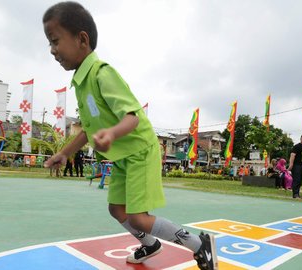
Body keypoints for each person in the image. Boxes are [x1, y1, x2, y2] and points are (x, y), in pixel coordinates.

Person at [42, 3, 217, 269]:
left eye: (55, 41)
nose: (52, 50)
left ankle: (199, 245)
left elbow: (133, 117)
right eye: (49, 43)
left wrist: (112, 132)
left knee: (137, 217)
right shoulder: (81, 83)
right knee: (116, 209)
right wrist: (65, 152)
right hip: (123, 157)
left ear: (82, 39)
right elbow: (88, 129)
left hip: (140, 151)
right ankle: (150, 244)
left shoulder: (102, 73)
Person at [288, 133, 302, 198]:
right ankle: (295, 194)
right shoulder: (297, 146)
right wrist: (291, 165)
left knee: (301, 180)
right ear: (300, 139)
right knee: (297, 179)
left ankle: (298, 193)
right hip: (297, 165)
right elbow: (292, 155)